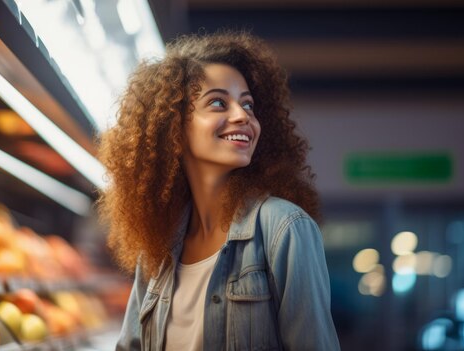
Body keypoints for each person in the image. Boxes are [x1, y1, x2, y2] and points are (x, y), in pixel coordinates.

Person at [98, 31, 340, 351]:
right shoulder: (159, 247)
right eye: (217, 102)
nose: (243, 116)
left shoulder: (285, 229)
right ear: (175, 128)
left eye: (248, 104)